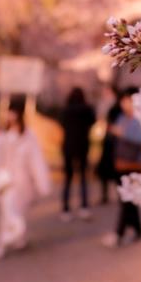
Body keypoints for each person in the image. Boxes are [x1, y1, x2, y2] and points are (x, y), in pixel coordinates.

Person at [0, 98, 51, 260]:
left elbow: (37, 162)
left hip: (23, 183)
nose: (11, 117)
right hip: (6, 182)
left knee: (17, 212)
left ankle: (18, 240)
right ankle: (2, 242)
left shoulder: (28, 137)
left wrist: (43, 184)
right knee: (9, 213)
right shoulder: (1, 135)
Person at [102, 88, 141, 248]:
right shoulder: (122, 118)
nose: (125, 104)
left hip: (133, 164)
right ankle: (138, 230)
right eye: (124, 101)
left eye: (128, 101)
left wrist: (121, 133)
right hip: (120, 163)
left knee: (127, 200)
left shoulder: (139, 119)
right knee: (130, 200)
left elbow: (140, 138)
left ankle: (118, 233)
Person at [58, 87, 96, 221]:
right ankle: (84, 207)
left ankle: (65, 209)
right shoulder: (87, 110)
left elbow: (62, 124)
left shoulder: (66, 110)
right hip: (82, 146)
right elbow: (93, 122)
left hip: (68, 147)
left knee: (68, 179)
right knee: (83, 178)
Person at [95, 92, 124, 205]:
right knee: (111, 173)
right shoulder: (114, 109)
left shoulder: (114, 110)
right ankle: (116, 195)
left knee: (113, 173)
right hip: (110, 144)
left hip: (113, 145)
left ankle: (115, 195)